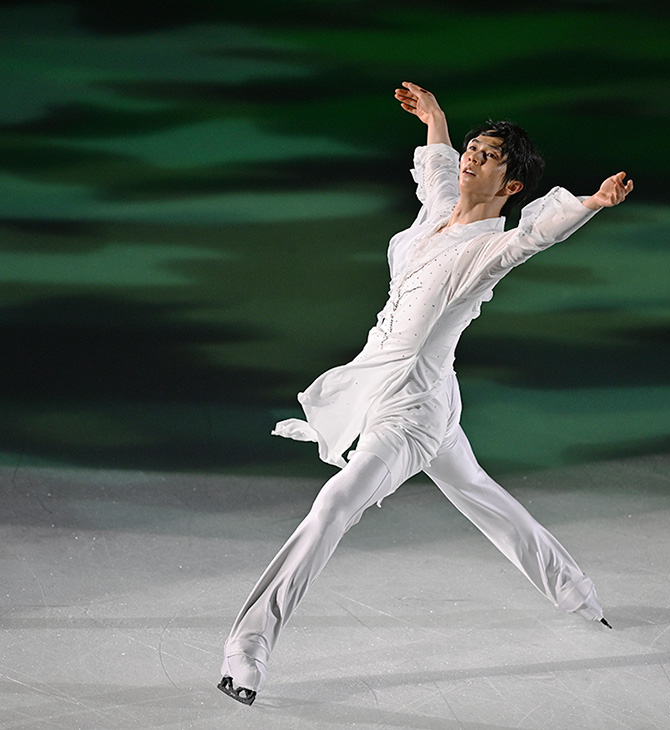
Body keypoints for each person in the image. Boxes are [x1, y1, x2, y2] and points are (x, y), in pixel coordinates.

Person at [218, 81, 633, 706]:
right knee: (476, 491)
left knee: (333, 507)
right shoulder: (438, 215)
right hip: (418, 393)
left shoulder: (491, 249)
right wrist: (436, 118)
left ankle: (247, 648)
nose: (473, 156)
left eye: (491, 156)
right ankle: (575, 591)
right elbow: (435, 171)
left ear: (511, 186)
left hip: (410, 413)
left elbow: (534, 238)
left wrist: (591, 205)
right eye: (476, 146)